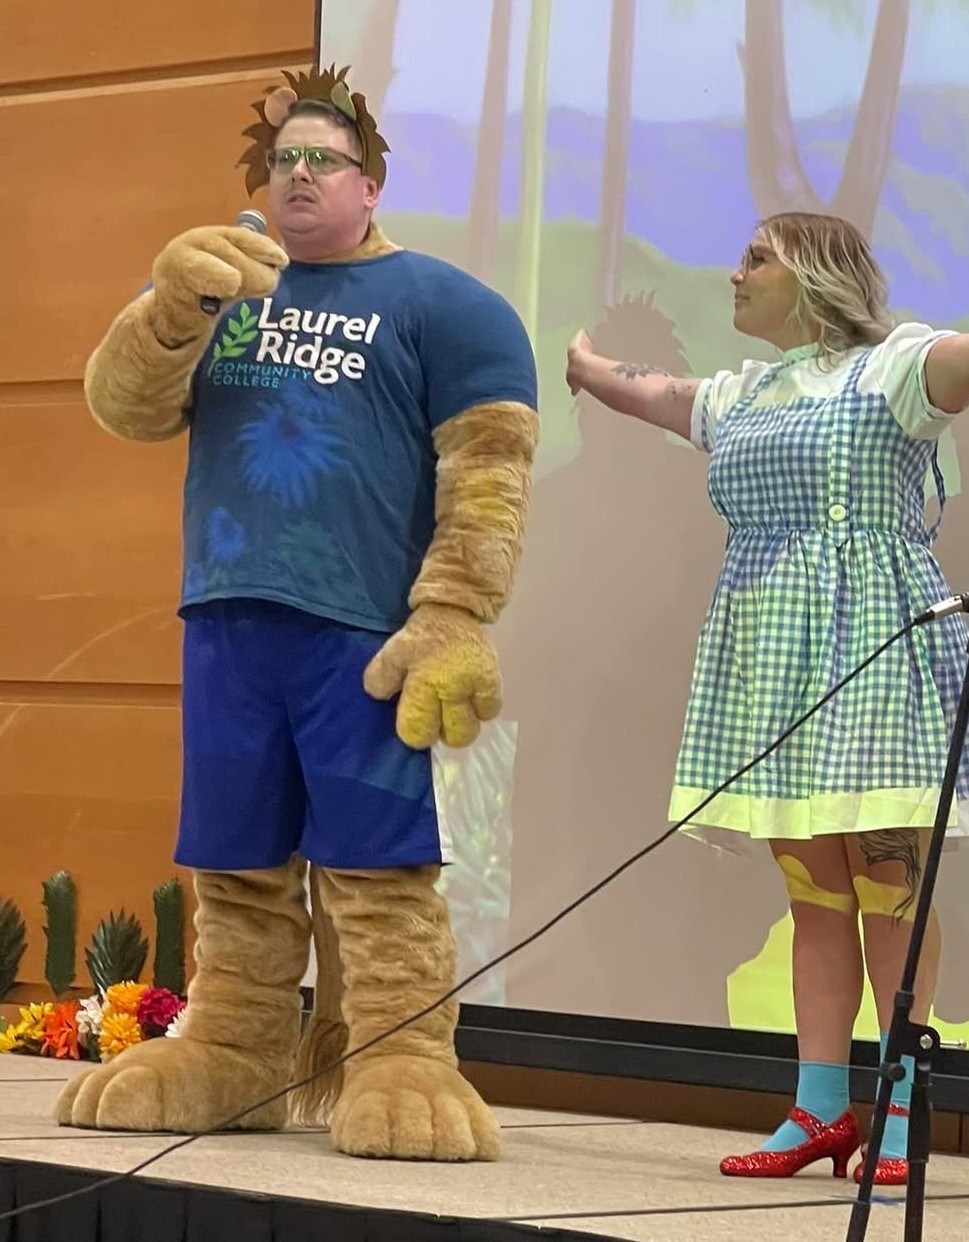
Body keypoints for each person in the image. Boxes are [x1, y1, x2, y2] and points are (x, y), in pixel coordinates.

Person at [564, 212, 969, 1184]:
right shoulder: (744, 393)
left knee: (888, 894)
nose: (733, 274)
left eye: (755, 260)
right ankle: (818, 1110)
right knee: (815, 904)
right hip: (771, 669)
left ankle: (895, 1111)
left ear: (814, 278)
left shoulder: (896, 369)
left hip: (878, 662)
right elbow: (657, 396)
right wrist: (587, 371)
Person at [55, 66, 540, 1163]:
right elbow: (123, 410)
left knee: (376, 869)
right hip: (226, 622)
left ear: (370, 182)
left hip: (361, 635)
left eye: (324, 159)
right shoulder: (223, 285)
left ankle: (404, 1054)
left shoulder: (447, 306)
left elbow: (487, 476)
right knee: (233, 863)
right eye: (284, 162)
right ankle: (233, 1049)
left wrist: (454, 613)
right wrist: (172, 304)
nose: (299, 176)